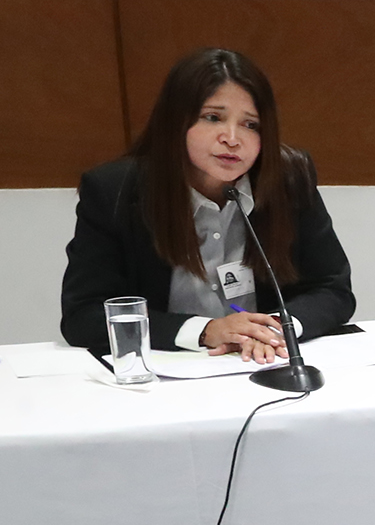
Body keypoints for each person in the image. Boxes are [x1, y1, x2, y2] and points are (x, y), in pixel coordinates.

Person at [62, 48, 355, 361]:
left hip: (264, 360)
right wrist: (205, 331)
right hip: (172, 364)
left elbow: (333, 289)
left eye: (251, 125)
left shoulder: (289, 180)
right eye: (213, 118)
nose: (232, 138)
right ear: (176, 122)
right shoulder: (115, 191)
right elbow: (85, 315)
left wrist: (274, 329)